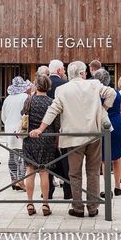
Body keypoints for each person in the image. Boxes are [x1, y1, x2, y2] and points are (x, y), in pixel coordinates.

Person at [30, 61, 116, 218]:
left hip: (72, 137)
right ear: (82, 73)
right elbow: (112, 94)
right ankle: (93, 207)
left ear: (69, 74)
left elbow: (53, 110)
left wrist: (40, 129)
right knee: (93, 172)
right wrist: (103, 109)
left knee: (74, 174)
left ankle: (78, 208)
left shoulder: (62, 90)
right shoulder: (94, 84)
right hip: (93, 135)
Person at [22, 75, 59, 216]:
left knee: (30, 171)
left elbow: (23, 116)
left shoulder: (29, 100)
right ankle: (45, 204)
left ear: (36, 86)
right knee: (44, 172)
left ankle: (30, 203)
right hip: (46, 138)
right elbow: (56, 123)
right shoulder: (51, 102)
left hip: (30, 137)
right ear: (48, 86)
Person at [94, 68, 121, 198]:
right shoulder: (116, 93)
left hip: (103, 125)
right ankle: (118, 187)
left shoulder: (96, 94)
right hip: (116, 124)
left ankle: (107, 189)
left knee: (105, 159)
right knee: (116, 158)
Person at [0, 76, 30, 188]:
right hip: (21, 129)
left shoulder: (8, 99)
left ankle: (13, 179)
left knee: (12, 155)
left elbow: (3, 116)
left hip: (9, 129)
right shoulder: (26, 97)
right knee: (23, 156)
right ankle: (21, 181)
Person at [47, 59, 70, 199]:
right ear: (60, 70)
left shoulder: (42, 84)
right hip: (62, 126)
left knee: (48, 161)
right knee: (65, 159)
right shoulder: (65, 84)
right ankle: (68, 191)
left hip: (46, 128)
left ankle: (48, 191)